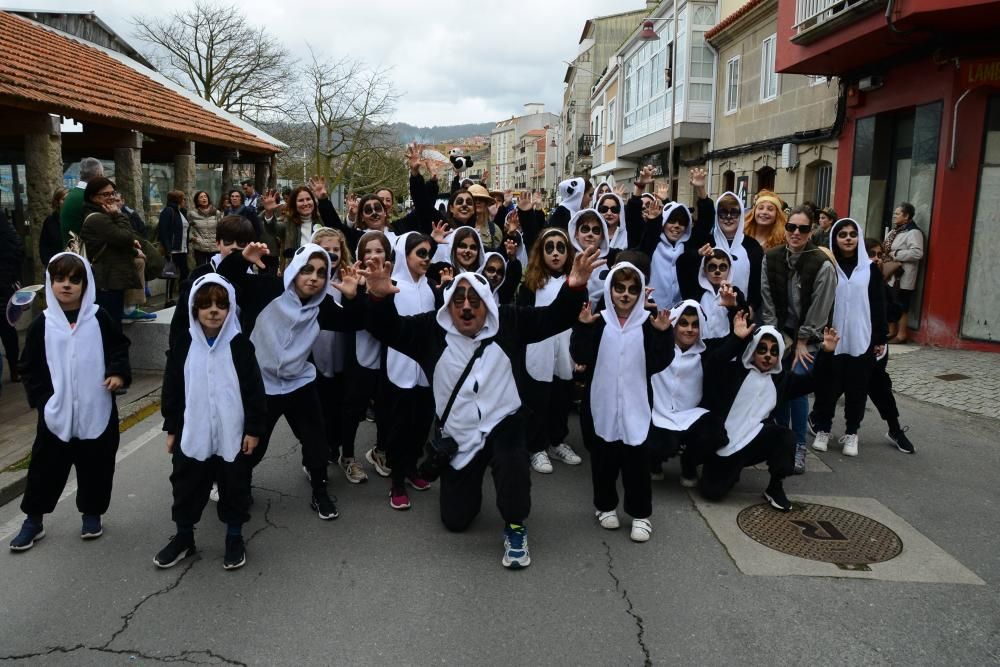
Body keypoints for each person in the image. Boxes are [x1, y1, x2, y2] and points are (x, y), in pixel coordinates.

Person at [361, 245, 605, 569]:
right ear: (448, 306)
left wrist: (575, 287)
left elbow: (554, 318)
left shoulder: (509, 321)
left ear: (487, 304)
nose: (466, 308)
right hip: (459, 431)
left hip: (504, 420)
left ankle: (516, 526)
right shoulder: (429, 332)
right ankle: (469, 489)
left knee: (512, 462)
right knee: (456, 519)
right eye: (458, 300)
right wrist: (378, 298)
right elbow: (388, 329)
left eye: (474, 300)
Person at [216, 242, 361, 520]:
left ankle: (320, 493)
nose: (314, 278)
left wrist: (355, 296)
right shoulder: (266, 290)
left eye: (321, 272)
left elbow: (354, 322)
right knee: (252, 445)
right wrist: (240, 259)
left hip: (299, 383)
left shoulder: (323, 305)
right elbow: (225, 284)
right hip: (261, 384)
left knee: (317, 444)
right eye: (307, 269)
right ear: (294, 270)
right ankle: (241, 488)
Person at [9, 253, 131, 551]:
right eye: (60, 279)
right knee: (45, 467)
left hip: (96, 408)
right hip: (56, 413)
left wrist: (117, 374)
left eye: (74, 280)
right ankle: (33, 520)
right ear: (51, 283)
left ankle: (92, 513)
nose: (66, 286)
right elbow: (29, 367)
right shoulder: (43, 324)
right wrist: (43, 401)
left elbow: (119, 347)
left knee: (97, 464)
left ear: (85, 284)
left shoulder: (99, 317)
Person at [155, 274, 266, 570]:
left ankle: (233, 537)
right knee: (186, 486)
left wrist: (254, 429)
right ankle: (183, 538)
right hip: (194, 433)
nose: (214, 310)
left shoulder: (240, 345)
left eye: (221, 304)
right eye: (206, 305)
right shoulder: (184, 345)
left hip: (232, 434)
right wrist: (172, 428)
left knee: (234, 486)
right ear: (194, 309)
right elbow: (173, 389)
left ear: (230, 309)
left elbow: (255, 390)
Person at [571, 263, 674, 543]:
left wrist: (664, 334)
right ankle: (604, 506)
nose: (625, 295)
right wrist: (582, 328)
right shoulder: (599, 320)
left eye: (632, 289)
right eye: (619, 289)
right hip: (602, 404)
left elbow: (659, 362)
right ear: (610, 290)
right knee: (604, 459)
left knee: (637, 461)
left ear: (640, 292)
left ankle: (640, 513)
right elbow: (580, 355)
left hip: (636, 404)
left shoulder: (647, 324)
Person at [693, 319, 833, 511]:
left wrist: (826, 353)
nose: (768, 356)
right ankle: (705, 464)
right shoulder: (734, 372)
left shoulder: (782, 380)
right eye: (762, 349)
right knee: (712, 492)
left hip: (754, 441)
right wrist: (736, 339)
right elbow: (714, 363)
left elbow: (814, 381)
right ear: (753, 351)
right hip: (724, 442)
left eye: (774, 351)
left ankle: (775, 486)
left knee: (785, 436)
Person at [760, 205, 837, 474]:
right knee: (779, 387)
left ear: (810, 230)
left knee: (798, 387)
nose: (795, 233)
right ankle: (782, 440)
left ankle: (800, 446)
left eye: (803, 228)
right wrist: (775, 337)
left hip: (808, 336)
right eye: (791, 227)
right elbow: (767, 298)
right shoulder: (771, 258)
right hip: (780, 334)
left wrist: (803, 339)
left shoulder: (821, 264)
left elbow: (821, 305)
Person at [809, 219, 887, 457]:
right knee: (827, 389)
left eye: (853, 234)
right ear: (835, 238)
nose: (848, 238)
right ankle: (823, 429)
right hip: (832, 338)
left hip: (860, 339)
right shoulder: (828, 266)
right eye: (842, 234)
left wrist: (880, 337)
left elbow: (878, 304)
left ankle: (852, 433)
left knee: (857, 389)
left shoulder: (869, 269)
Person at [517, 228, 582, 474]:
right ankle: (536, 447)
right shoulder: (531, 284)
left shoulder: (574, 284)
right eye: (549, 248)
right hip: (538, 349)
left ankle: (556, 441)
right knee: (537, 399)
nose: (555, 253)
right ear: (540, 252)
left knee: (561, 397)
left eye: (561, 248)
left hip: (565, 348)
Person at [381, 232, 436, 510]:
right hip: (399, 367)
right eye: (421, 253)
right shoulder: (392, 286)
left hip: (425, 370)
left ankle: (412, 468)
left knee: (420, 424)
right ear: (405, 255)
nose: (426, 259)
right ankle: (397, 481)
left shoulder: (429, 288)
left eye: (429, 253)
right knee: (399, 427)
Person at [646, 300, 729, 486]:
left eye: (695, 325)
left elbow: (735, 341)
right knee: (661, 444)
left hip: (690, 416)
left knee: (715, 433)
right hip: (657, 414)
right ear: (674, 325)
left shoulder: (706, 353)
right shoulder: (659, 348)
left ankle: (689, 463)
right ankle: (653, 463)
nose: (689, 330)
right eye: (683, 323)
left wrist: (734, 308)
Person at [308, 228, 367, 484]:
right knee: (320, 411)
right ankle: (321, 454)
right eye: (325, 249)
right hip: (315, 358)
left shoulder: (348, 277)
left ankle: (348, 455)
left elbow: (357, 317)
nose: (331, 254)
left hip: (345, 356)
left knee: (348, 409)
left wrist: (354, 295)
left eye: (335, 249)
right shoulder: (307, 279)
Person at [864, 238, 916, 454]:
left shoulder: (881, 284)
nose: (876, 259)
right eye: (871, 254)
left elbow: (896, 310)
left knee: (880, 386)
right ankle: (819, 420)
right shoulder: (852, 279)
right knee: (835, 384)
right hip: (851, 344)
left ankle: (894, 429)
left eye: (879, 255)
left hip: (877, 345)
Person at [79, 178, 144, 322]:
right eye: (106, 194)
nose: (112, 198)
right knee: (111, 326)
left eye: (112, 193)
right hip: (107, 281)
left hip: (113, 279)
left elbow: (117, 242)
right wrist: (119, 215)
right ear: (93, 197)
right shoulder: (97, 219)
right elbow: (126, 237)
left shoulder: (104, 215)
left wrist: (132, 249)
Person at [883, 202, 924, 343]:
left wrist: (897, 254)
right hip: (891, 274)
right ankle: (891, 331)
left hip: (904, 276)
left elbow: (917, 253)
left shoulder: (914, 232)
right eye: (894, 213)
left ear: (906, 216)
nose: (894, 216)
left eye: (897, 213)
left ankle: (901, 334)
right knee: (890, 302)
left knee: (902, 304)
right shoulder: (895, 231)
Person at [0, 210, 24, 384]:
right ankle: (15, 368)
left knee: (7, 326)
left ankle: (15, 367)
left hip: (3, 282)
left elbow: (15, 247)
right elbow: (16, 247)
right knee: (7, 327)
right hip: (5, 282)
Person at [157, 190, 191, 308]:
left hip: (182, 248)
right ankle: (168, 299)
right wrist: (168, 248)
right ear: (178, 200)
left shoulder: (181, 212)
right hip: (173, 249)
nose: (185, 201)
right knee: (170, 274)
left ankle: (183, 296)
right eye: (183, 199)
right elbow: (163, 231)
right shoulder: (168, 211)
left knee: (185, 272)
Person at [60, 157, 104, 245]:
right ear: (99, 175)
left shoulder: (72, 194)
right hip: (83, 254)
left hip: (72, 252)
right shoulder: (88, 197)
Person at [188, 191, 222, 267]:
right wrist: (193, 238)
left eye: (205, 196)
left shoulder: (217, 213)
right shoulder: (192, 214)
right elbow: (188, 229)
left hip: (215, 247)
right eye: (201, 197)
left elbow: (222, 228)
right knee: (201, 269)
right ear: (197, 201)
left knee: (214, 269)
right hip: (200, 247)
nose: (204, 198)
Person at [39, 187, 68, 267]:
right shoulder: (50, 221)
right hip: (55, 264)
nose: (67, 202)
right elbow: (44, 245)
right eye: (64, 199)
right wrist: (48, 262)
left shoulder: (75, 218)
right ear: (57, 202)